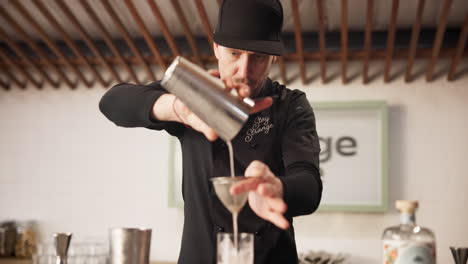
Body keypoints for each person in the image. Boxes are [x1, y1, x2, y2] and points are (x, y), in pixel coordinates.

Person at [99, 0, 322, 263]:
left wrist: (277, 187)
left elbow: (309, 185)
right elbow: (113, 102)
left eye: (258, 57)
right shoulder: (196, 94)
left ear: (273, 57)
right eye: (234, 54)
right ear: (217, 48)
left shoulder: (290, 105)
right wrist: (178, 108)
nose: (244, 71)